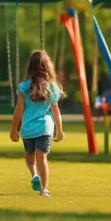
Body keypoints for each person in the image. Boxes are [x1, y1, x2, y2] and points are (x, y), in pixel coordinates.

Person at [9, 50, 65, 198]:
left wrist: (14, 129)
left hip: (28, 129)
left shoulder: (24, 87)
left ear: (30, 67)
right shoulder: (52, 88)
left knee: (30, 154)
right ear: (48, 67)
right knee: (42, 158)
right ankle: (44, 189)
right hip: (45, 128)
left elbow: (18, 111)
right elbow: (56, 111)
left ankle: (34, 175)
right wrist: (59, 131)